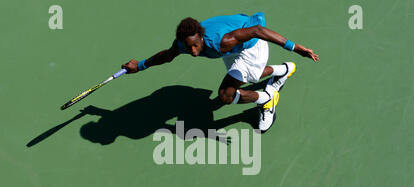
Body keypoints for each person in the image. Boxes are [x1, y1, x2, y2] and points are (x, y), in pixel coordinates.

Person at [121, 12, 319, 133]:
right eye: (188, 47)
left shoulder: (221, 41)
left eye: (195, 46)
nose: (193, 52)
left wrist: (295, 47)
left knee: (226, 95)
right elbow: (167, 55)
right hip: (237, 41)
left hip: (252, 46)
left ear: (201, 36)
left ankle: (266, 99)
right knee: (246, 77)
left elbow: (258, 30)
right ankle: (283, 70)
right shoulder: (183, 43)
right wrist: (140, 65)